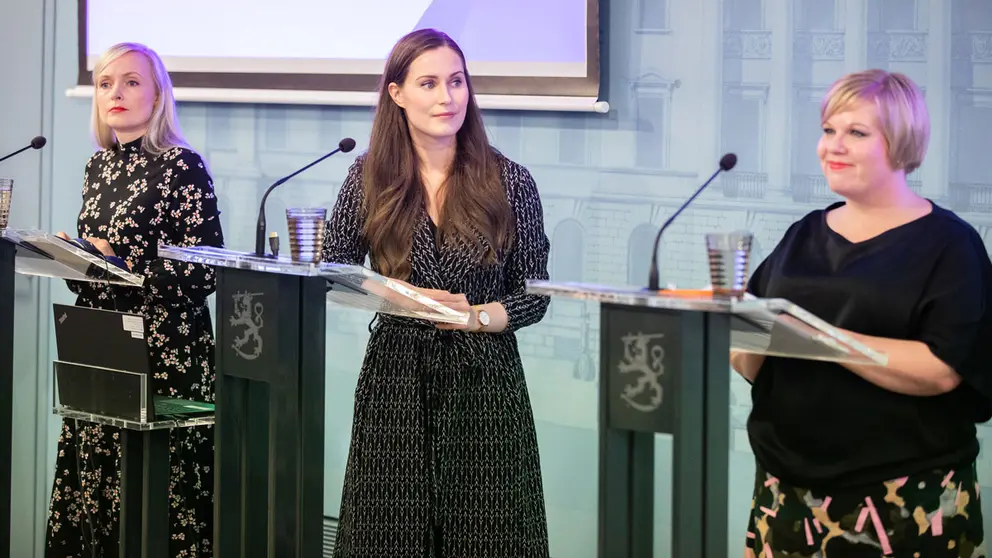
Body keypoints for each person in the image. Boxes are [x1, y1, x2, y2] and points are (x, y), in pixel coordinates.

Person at [733, 69, 990, 557]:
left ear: (901, 143)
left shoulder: (950, 245)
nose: (833, 145)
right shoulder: (802, 234)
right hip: (785, 496)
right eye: (829, 130)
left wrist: (821, 339)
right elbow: (750, 359)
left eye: (856, 133)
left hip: (906, 499)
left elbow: (942, 371)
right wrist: (734, 326)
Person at [322, 28, 551, 558]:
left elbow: (534, 294)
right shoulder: (368, 177)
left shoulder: (510, 181)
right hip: (395, 377)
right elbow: (335, 271)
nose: (447, 97)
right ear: (397, 93)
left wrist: (475, 317)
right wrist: (398, 294)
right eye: (429, 83)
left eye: (457, 82)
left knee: (487, 533)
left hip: (484, 381)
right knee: (389, 532)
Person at [47, 42, 224, 557]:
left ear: (157, 95)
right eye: (105, 83)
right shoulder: (97, 168)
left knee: (154, 509)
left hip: (165, 356)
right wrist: (77, 259)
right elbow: (97, 276)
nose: (115, 93)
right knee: (98, 502)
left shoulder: (182, 166)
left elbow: (202, 269)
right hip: (101, 347)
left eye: (130, 82)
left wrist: (124, 268)